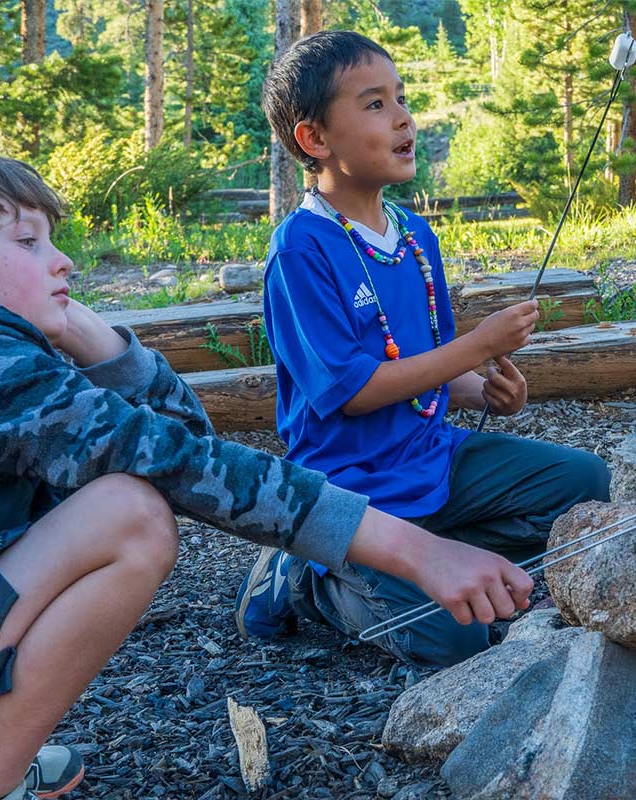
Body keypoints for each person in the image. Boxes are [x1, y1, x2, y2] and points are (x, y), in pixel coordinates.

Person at [0, 151, 534, 800]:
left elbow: (186, 439)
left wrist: (94, 338)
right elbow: (188, 464)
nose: (62, 261)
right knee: (128, 516)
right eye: (27, 242)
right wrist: (417, 551)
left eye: (53, 240)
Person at [238, 30, 610, 667]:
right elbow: (353, 393)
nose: (405, 118)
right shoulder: (301, 250)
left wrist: (484, 387)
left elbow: (421, 367)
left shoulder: (414, 236)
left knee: (586, 481)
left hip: (430, 456)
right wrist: (475, 348)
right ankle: (306, 577)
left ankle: (423, 551)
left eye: (401, 98)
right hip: (348, 489)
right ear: (315, 140)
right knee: (454, 634)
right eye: (375, 104)